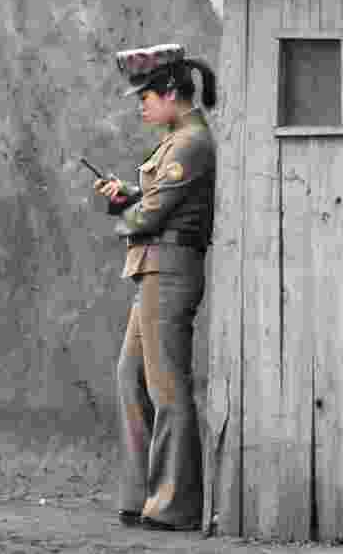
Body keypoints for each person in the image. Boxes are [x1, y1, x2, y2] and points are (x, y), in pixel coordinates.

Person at [93, 43, 217, 531]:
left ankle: (174, 506)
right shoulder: (175, 139)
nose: (141, 103)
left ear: (170, 91)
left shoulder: (190, 142)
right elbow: (150, 202)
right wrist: (128, 197)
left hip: (170, 270)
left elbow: (150, 213)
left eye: (146, 94)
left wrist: (128, 207)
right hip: (153, 269)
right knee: (130, 376)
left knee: (167, 386)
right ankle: (142, 495)